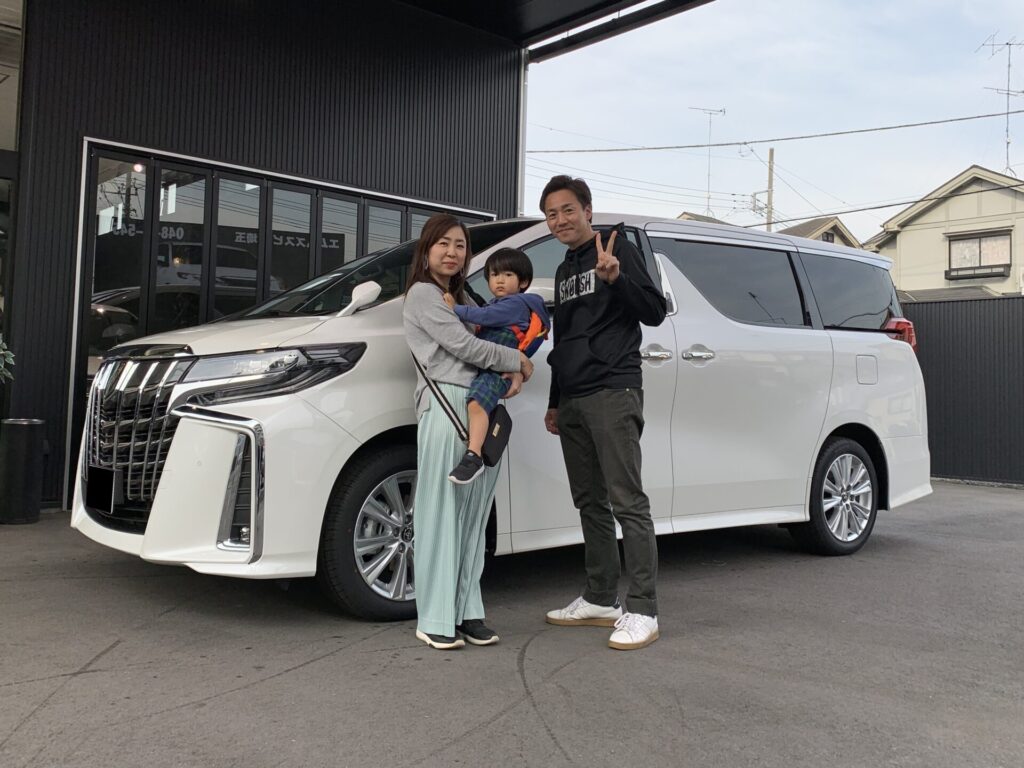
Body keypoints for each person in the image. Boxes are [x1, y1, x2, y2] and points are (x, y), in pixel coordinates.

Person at [540, 175, 668, 651]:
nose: (560, 220)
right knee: (589, 501)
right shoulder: (563, 269)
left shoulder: (617, 247)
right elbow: (564, 337)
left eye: (567, 210)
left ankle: (643, 609)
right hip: (574, 396)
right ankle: (600, 598)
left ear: (587, 211)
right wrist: (556, 400)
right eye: (551, 214)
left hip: (613, 389)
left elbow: (654, 311)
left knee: (627, 501)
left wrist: (616, 278)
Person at [403, 214, 534, 650]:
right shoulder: (423, 294)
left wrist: (513, 367)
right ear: (426, 249)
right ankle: (435, 616)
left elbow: (495, 343)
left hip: (482, 407)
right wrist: (517, 362)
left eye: (460, 245)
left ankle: (466, 610)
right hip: (446, 404)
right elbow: (463, 347)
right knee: (441, 510)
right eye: (443, 243)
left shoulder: (464, 297)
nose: (452, 252)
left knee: (474, 516)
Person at [442, 247, 550, 485]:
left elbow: (484, 317)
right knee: (477, 404)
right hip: (494, 366)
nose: (499, 280)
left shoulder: (515, 304)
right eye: (494, 274)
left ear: (523, 282)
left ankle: (473, 456)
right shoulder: (499, 303)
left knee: (477, 402)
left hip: (497, 371)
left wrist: (454, 308)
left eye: (508, 275)